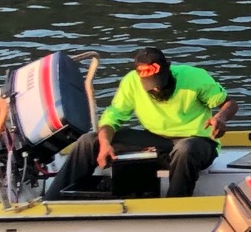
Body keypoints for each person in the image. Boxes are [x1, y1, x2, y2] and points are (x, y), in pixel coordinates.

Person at [47, 47, 235, 199]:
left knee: (186, 148)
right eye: (149, 86)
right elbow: (112, 118)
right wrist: (104, 143)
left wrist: (221, 117)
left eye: (158, 83)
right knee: (89, 141)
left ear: (168, 68)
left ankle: (175, 207)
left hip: (198, 141)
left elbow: (229, 103)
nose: (154, 88)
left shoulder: (194, 77)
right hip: (157, 141)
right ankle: (52, 201)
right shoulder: (132, 81)